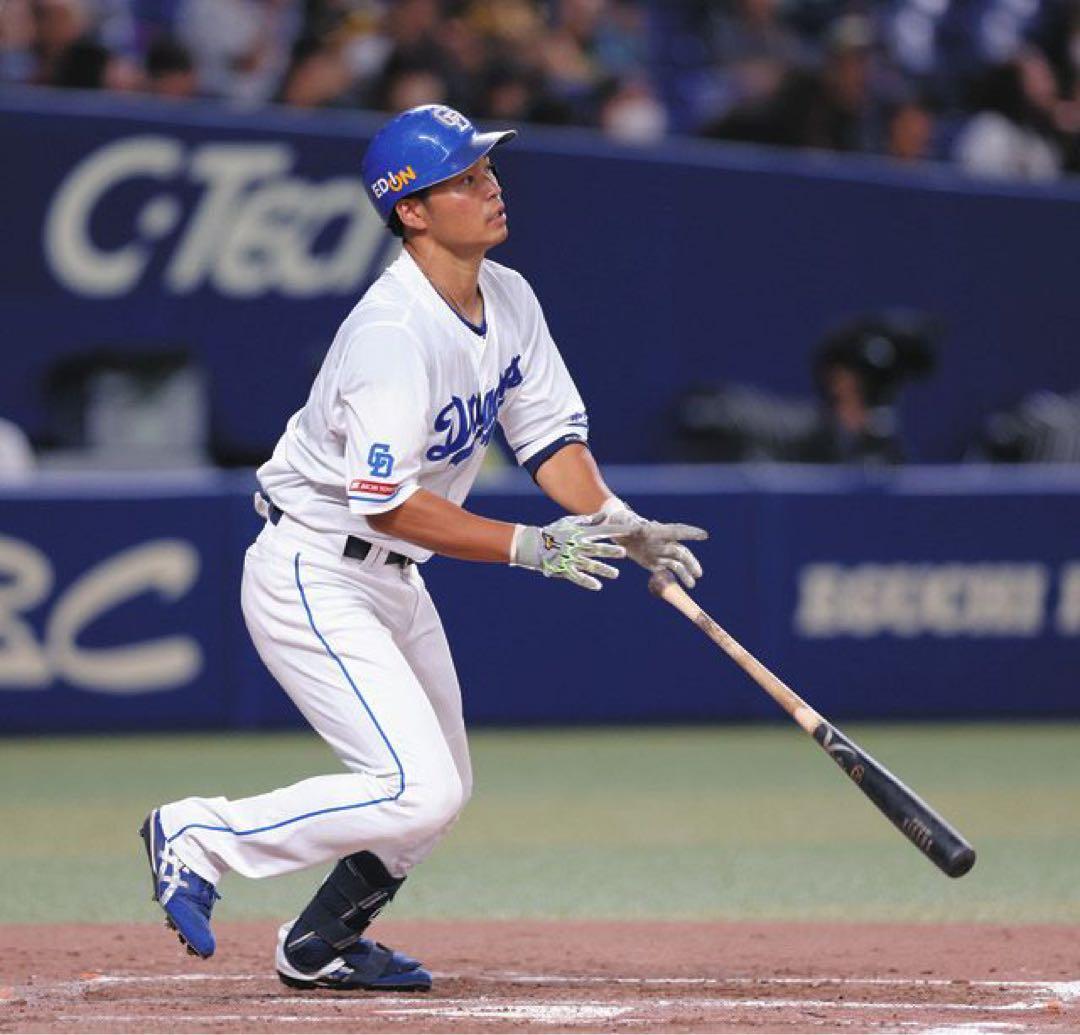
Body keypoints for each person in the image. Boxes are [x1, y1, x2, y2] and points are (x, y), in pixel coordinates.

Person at [139, 104, 707, 993]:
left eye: (488, 169)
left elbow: (550, 441)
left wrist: (620, 521)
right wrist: (530, 546)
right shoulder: (392, 333)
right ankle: (199, 833)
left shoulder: (509, 296)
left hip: (394, 579)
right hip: (315, 566)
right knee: (415, 787)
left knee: (441, 790)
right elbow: (387, 504)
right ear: (411, 209)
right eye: (466, 178)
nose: (492, 186)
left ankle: (320, 941)